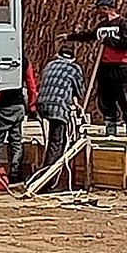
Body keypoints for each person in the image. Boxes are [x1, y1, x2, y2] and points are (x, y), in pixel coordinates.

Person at [66, 0, 127, 136]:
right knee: (106, 98)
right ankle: (110, 126)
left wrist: (109, 41)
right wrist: (70, 37)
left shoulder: (122, 23)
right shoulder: (102, 26)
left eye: (99, 9)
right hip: (104, 66)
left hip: (120, 67)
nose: (97, 13)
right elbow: (90, 35)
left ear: (105, 8)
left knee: (125, 97)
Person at [0, 58, 38, 192]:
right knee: (16, 142)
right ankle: (14, 176)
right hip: (18, 107)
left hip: (3, 108)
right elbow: (31, 83)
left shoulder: (2, 58)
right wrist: (32, 105)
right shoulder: (24, 60)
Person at [36, 44, 85, 180]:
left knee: (53, 139)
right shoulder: (74, 68)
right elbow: (80, 91)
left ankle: (46, 174)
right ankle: (48, 179)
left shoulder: (49, 65)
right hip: (58, 107)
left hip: (42, 104)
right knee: (57, 142)